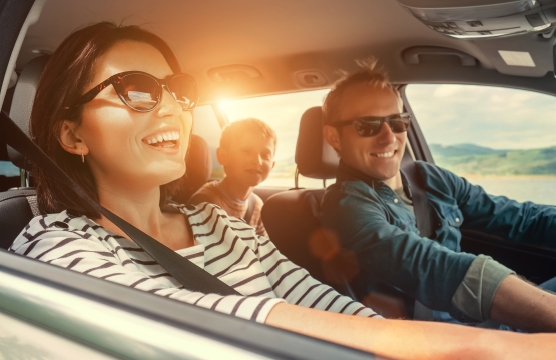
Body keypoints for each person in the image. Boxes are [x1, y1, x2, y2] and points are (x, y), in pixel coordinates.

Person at [8, 22, 556, 359]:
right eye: (136, 90)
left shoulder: (217, 224)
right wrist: (484, 348)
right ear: (73, 133)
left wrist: (397, 347)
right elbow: (198, 318)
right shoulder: (55, 245)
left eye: (178, 90)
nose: (174, 106)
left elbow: (314, 300)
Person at [318, 58, 556, 332]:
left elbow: (520, 218)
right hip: (445, 341)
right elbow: (433, 268)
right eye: (368, 125)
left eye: (397, 122)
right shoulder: (345, 206)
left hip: (481, 322)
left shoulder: (429, 178)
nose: (388, 137)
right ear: (334, 138)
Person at [188, 118, 275, 237]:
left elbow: (263, 249)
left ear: (272, 165)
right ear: (223, 157)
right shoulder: (205, 202)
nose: (257, 161)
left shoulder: (256, 205)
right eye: (247, 151)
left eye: (265, 155)